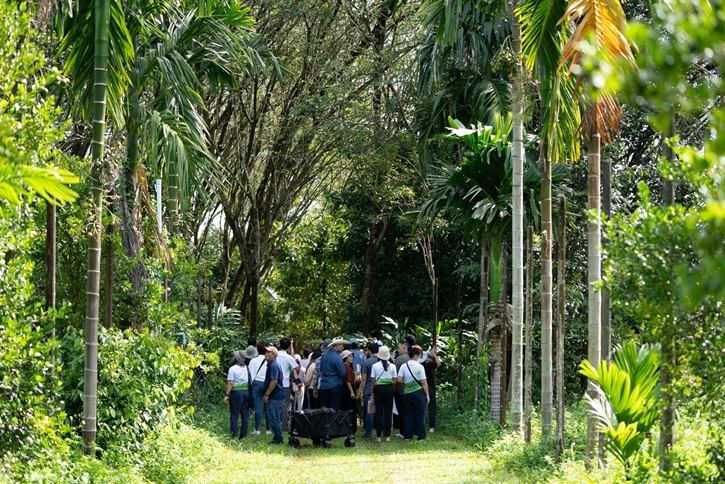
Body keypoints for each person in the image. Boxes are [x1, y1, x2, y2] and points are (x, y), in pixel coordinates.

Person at [397, 347, 429, 442]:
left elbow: (399, 380)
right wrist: (427, 395)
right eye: (419, 355)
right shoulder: (420, 367)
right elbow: (423, 382)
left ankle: (407, 436)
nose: (420, 357)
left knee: (408, 415)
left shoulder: (404, 366)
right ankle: (421, 436)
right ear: (415, 355)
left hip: (407, 394)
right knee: (420, 415)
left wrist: (406, 381)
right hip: (418, 393)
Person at [223, 349, 253, 439]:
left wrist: (226, 395)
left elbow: (230, 383)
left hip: (236, 393)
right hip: (246, 393)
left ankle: (234, 434)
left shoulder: (232, 369)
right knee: (245, 415)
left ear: (236, 358)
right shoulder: (246, 368)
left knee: (234, 414)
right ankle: (243, 435)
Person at [371, 345, 397, 442]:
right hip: (389, 388)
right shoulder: (393, 366)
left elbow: (373, 381)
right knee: (388, 412)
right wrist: (392, 389)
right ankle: (387, 436)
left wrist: (372, 391)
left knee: (379, 413)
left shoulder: (375, 366)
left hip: (378, 389)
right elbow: (394, 380)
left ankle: (378, 436)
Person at [315, 336, 347, 410]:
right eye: (342, 345)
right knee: (334, 409)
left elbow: (321, 369)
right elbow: (342, 373)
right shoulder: (337, 357)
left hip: (324, 385)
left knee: (324, 408)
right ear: (337, 345)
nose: (343, 347)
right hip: (335, 385)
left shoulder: (324, 356)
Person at [262, 345, 285, 444]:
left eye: (269, 352)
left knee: (274, 418)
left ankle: (278, 438)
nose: (266, 354)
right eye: (266, 352)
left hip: (275, 396)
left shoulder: (273, 365)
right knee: (275, 417)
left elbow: (274, 381)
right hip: (277, 395)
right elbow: (282, 377)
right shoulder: (273, 364)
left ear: (274, 355)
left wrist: (267, 394)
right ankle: (278, 437)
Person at [276, 338, 300, 432]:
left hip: (275, 383)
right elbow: (297, 368)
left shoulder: (275, 355)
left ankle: (274, 424)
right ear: (288, 346)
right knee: (285, 405)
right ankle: (284, 426)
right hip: (285, 384)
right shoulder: (289, 358)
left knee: (274, 404)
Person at [393, 337, 414, 436]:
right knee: (410, 411)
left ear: (405, 349)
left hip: (400, 389)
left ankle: (403, 431)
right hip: (412, 388)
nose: (398, 350)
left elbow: (395, 375)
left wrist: (394, 387)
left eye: (400, 348)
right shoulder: (412, 358)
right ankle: (411, 430)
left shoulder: (400, 359)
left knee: (401, 411)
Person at [249, 341, 271, 435]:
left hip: (256, 383)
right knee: (267, 407)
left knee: (258, 407)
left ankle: (257, 429)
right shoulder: (269, 360)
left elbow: (249, 375)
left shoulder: (253, 361)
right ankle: (268, 430)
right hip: (267, 383)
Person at [359, 342, 379, 438]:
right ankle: (382, 431)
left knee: (370, 411)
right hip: (380, 388)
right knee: (381, 411)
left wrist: (362, 391)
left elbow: (364, 379)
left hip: (368, 390)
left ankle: (369, 432)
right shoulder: (382, 361)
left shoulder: (366, 363)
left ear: (369, 351)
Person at [422, 347, 441, 433]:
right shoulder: (428, 366)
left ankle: (421, 424)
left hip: (421, 388)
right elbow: (438, 363)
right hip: (430, 387)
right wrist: (434, 354)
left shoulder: (420, 365)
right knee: (432, 407)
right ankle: (431, 427)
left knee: (421, 407)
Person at [340, 349, 357, 434]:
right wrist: (352, 391)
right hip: (348, 389)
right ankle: (350, 428)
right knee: (350, 408)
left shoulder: (347, 367)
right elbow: (347, 380)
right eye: (349, 356)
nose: (352, 358)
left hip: (347, 388)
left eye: (352, 356)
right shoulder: (346, 367)